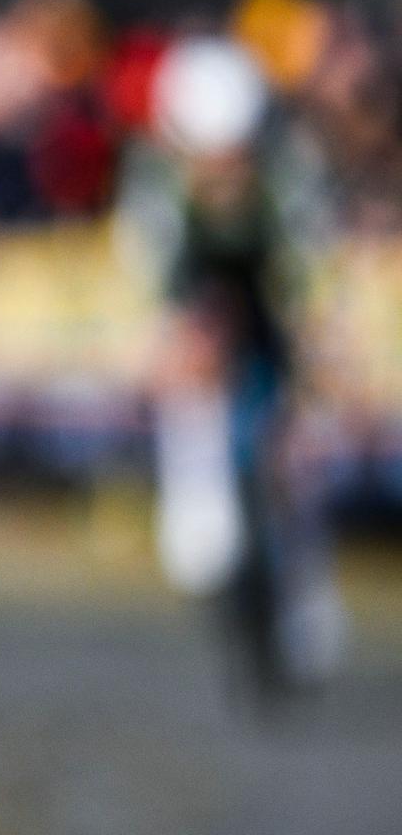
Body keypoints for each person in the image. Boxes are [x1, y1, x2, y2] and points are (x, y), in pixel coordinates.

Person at [118, 35, 344, 692]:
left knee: (293, 460)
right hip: (200, 321)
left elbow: (313, 280)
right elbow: (151, 287)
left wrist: (317, 356)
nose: (222, 171)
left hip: (269, 319)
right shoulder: (155, 178)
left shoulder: (289, 170)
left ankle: (303, 593)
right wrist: (176, 341)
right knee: (201, 545)